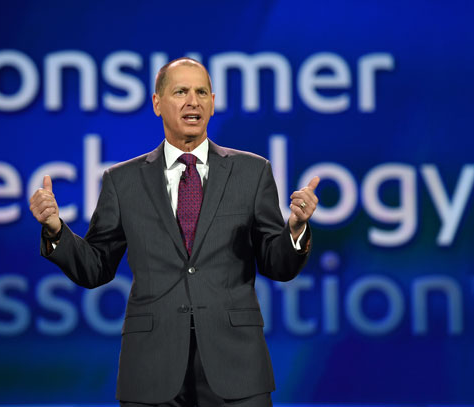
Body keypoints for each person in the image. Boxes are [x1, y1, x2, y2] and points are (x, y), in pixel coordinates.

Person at [30, 57, 319, 407]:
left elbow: (278, 265)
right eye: (180, 91)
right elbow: (96, 267)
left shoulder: (252, 172)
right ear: (157, 103)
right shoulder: (122, 181)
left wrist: (296, 230)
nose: (192, 101)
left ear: (212, 103)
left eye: (201, 92)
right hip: (151, 367)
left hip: (236, 365)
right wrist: (56, 229)